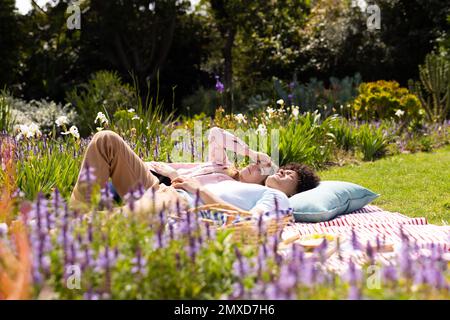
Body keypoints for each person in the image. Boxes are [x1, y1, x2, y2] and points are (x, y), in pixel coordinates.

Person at [69, 128, 320, 216]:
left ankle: (73, 231)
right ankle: (77, 214)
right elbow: (215, 134)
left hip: (181, 201)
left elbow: (251, 222)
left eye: (291, 177)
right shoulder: (225, 170)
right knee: (106, 140)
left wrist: (197, 190)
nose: (285, 172)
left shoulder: (275, 198)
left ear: (294, 192)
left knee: (108, 222)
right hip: (159, 186)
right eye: (284, 169)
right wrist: (252, 154)